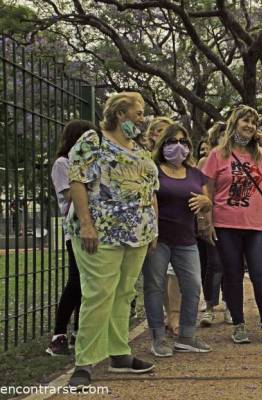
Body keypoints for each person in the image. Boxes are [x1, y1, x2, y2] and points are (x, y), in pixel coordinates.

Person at [66, 92, 158, 388]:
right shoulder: (94, 140)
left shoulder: (140, 148)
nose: (142, 118)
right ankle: (84, 362)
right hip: (100, 232)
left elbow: (150, 190)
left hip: (137, 233)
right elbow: (77, 180)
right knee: (98, 293)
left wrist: (152, 229)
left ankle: (119, 353)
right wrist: (87, 224)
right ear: (120, 114)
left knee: (124, 292)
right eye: (139, 112)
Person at [201, 105, 262, 346]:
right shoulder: (218, 154)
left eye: (253, 123)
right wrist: (207, 222)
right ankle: (238, 324)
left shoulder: (259, 154)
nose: (249, 126)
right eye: (245, 121)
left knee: (261, 274)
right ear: (234, 123)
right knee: (233, 275)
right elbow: (207, 188)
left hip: (256, 225)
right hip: (226, 224)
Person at [143, 123, 212, 357]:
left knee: (193, 286)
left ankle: (186, 336)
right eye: (172, 142)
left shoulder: (195, 173)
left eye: (183, 142)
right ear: (163, 145)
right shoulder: (153, 169)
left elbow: (207, 201)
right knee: (154, 286)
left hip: (187, 240)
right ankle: (158, 337)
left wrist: (205, 203)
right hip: (158, 238)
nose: (178, 147)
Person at [46, 120, 97, 356]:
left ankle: (79, 330)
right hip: (74, 229)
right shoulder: (63, 163)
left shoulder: (90, 165)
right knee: (76, 281)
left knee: (88, 283)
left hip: (94, 228)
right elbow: (69, 193)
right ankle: (58, 335)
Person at [141, 116, 182, 337]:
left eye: (166, 132)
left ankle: (174, 317)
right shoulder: (144, 159)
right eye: (157, 131)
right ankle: (163, 316)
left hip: (176, 223)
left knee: (174, 272)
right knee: (157, 276)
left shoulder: (180, 160)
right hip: (152, 224)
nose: (161, 135)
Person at [197, 121, 232, 327]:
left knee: (231, 265)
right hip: (213, 219)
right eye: (220, 135)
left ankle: (230, 305)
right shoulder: (206, 161)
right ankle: (210, 306)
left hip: (234, 220)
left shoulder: (237, 158)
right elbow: (201, 191)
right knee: (214, 264)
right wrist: (203, 219)